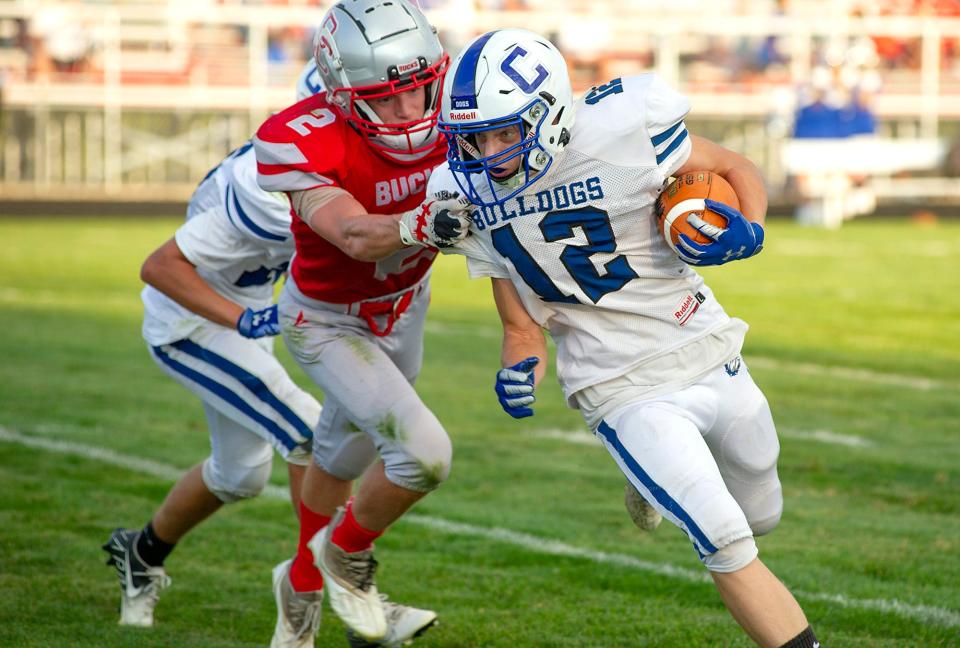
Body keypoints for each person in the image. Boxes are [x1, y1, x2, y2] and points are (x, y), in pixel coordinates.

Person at [432, 29, 820, 648]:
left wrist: (749, 230)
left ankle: (648, 484)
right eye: (475, 136)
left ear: (551, 114)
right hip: (618, 384)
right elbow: (520, 323)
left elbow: (733, 167)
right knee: (724, 538)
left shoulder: (620, 130)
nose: (489, 152)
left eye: (506, 131)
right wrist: (520, 363)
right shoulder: (463, 196)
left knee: (761, 513)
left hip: (705, 344)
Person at [102, 62, 439, 646]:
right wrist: (242, 317)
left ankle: (141, 551)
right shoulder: (266, 187)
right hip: (193, 324)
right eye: (375, 106)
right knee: (309, 432)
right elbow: (159, 268)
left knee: (239, 475)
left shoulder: (335, 159)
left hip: (248, 308)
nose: (392, 120)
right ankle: (336, 593)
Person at [252, 1, 471, 645]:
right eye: (384, 99)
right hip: (326, 321)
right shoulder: (300, 135)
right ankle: (341, 565)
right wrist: (417, 223)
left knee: (341, 453)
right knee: (423, 455)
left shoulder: (463, 101)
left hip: (406, 306)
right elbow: (350, 232)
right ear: (341, 94)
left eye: (418, 90)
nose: (409, 114)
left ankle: (299, 585)